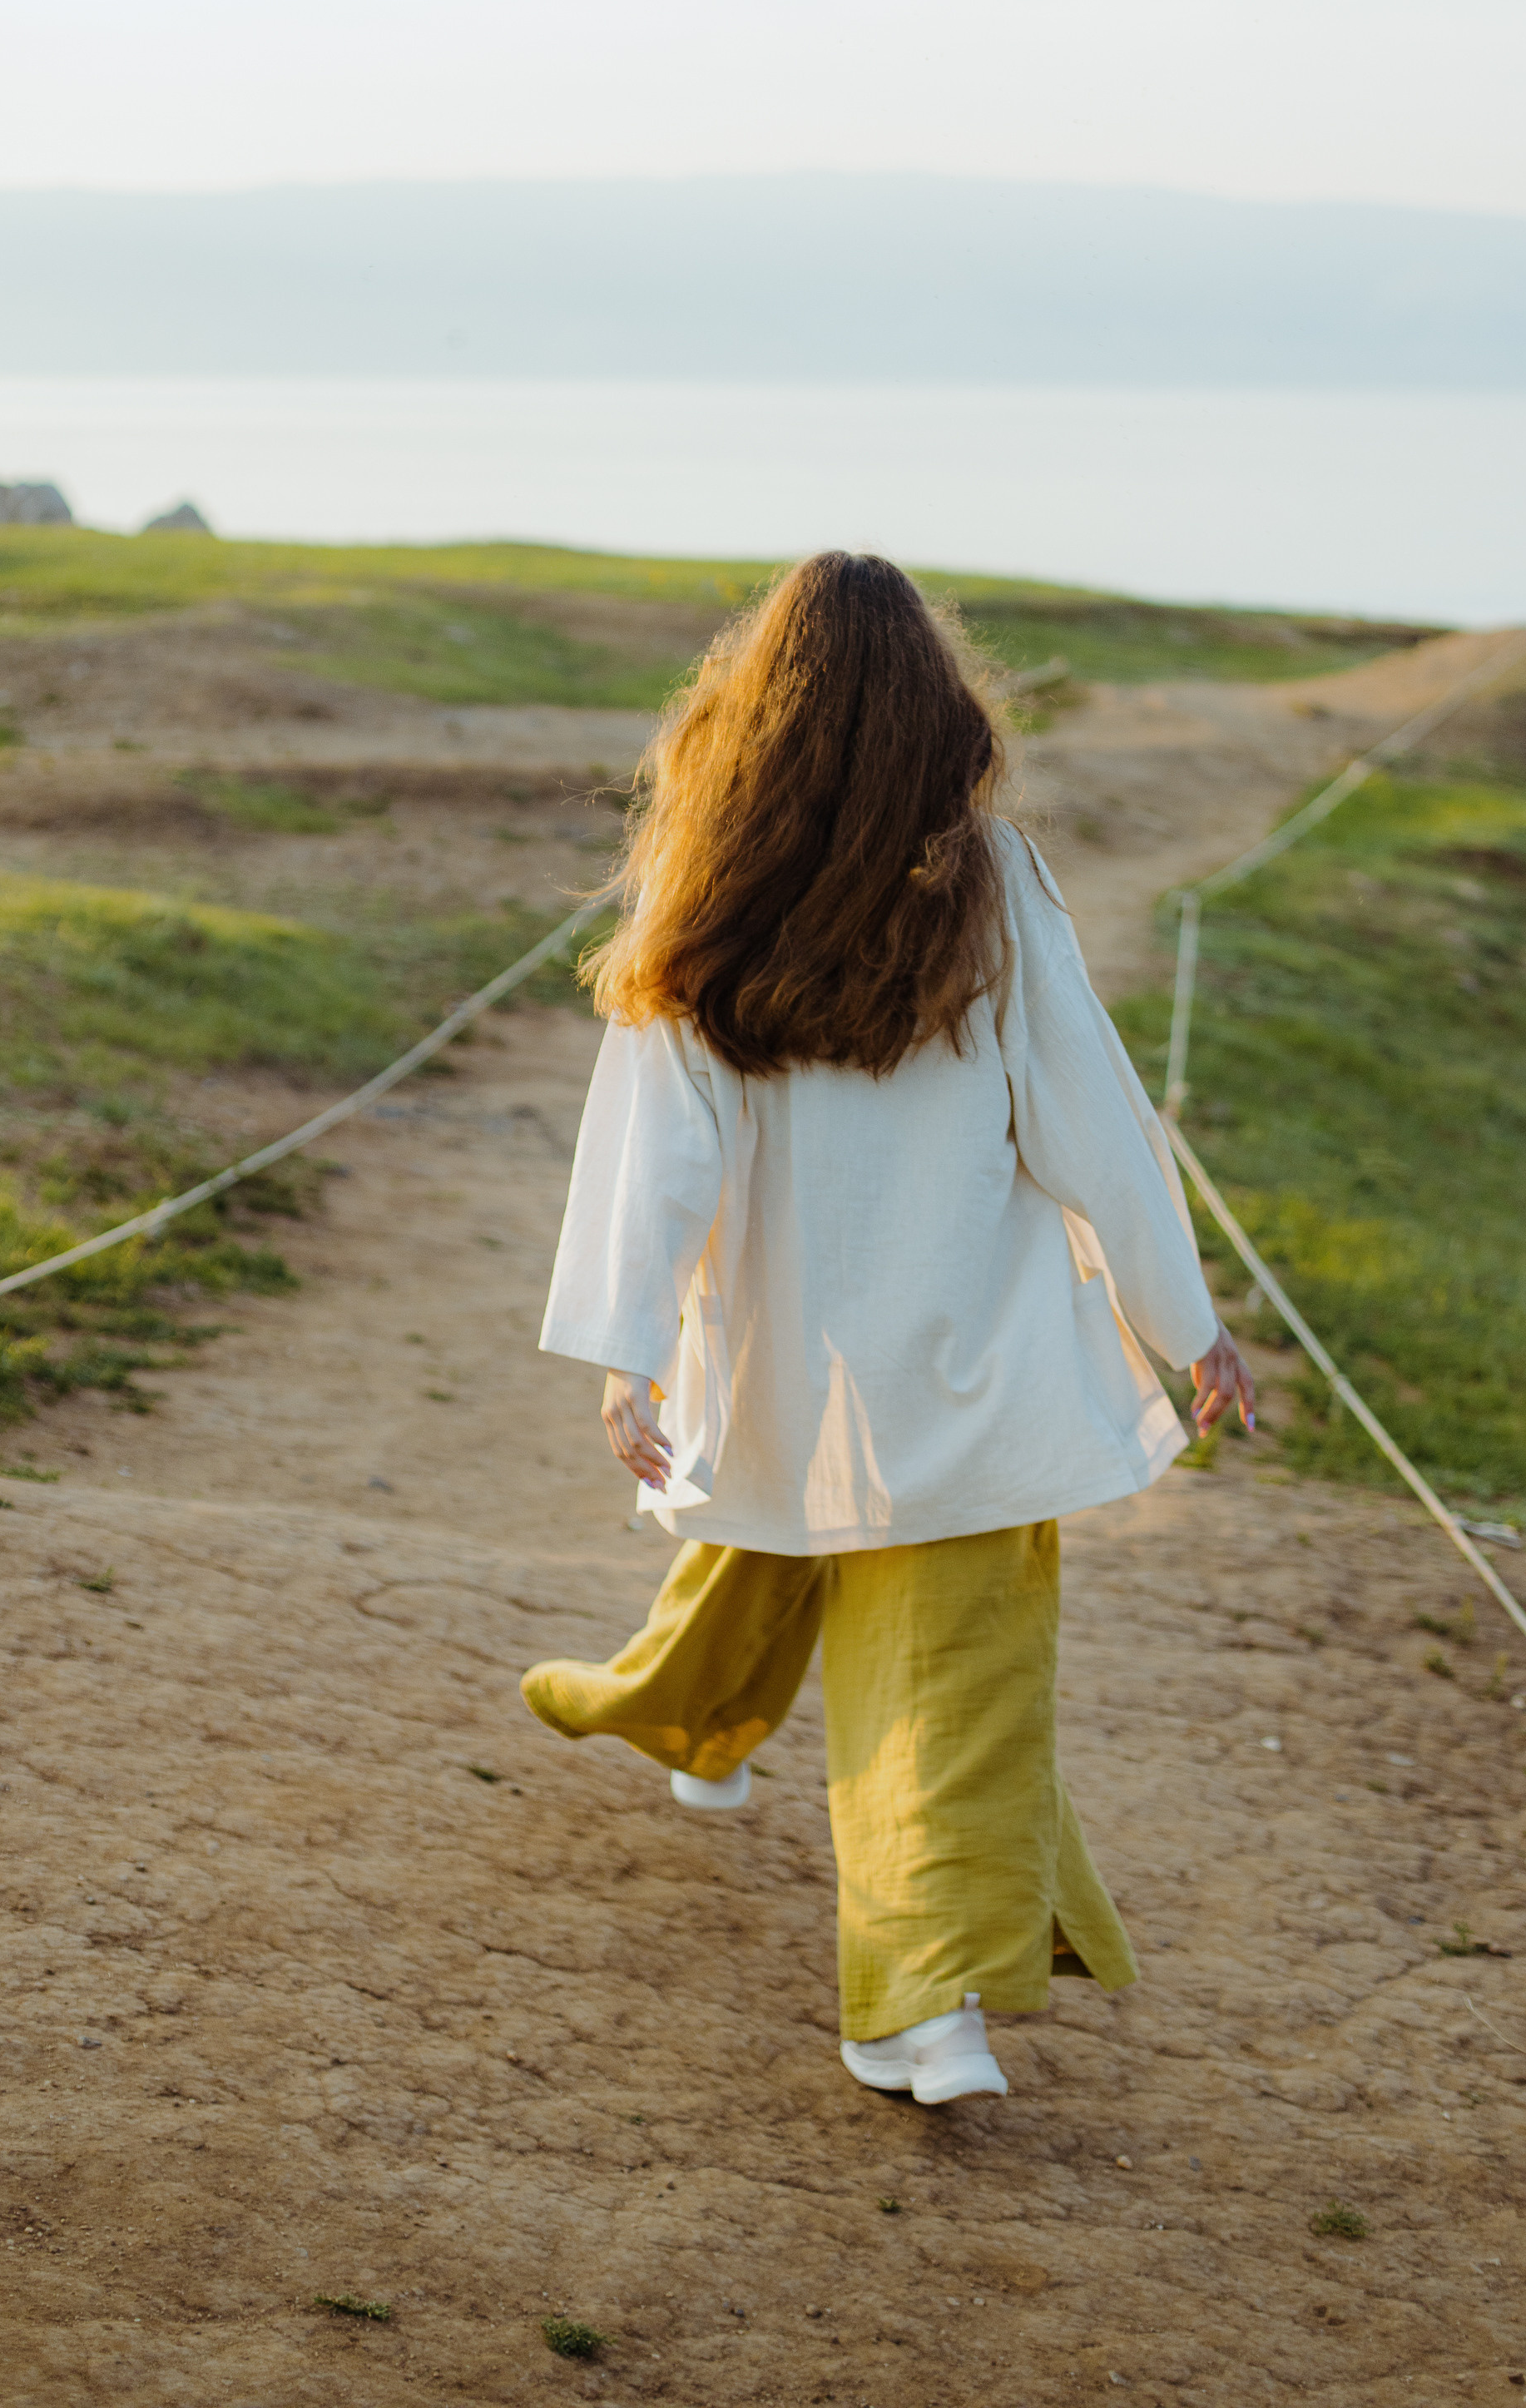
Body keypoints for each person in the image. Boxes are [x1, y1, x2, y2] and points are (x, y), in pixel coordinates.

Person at [519, 551, 1252, 2106]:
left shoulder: (706, 893)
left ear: (745, 717)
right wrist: (1186, 1328)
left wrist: (632, 1347)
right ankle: (911, 2008)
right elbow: (1098, 1138)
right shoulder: (989, 886)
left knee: (841, 1564)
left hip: (795, 1357)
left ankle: (693, 1741)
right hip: (964, 1359)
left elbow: (658, 1164)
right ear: (939, 713)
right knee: (916, 1638)